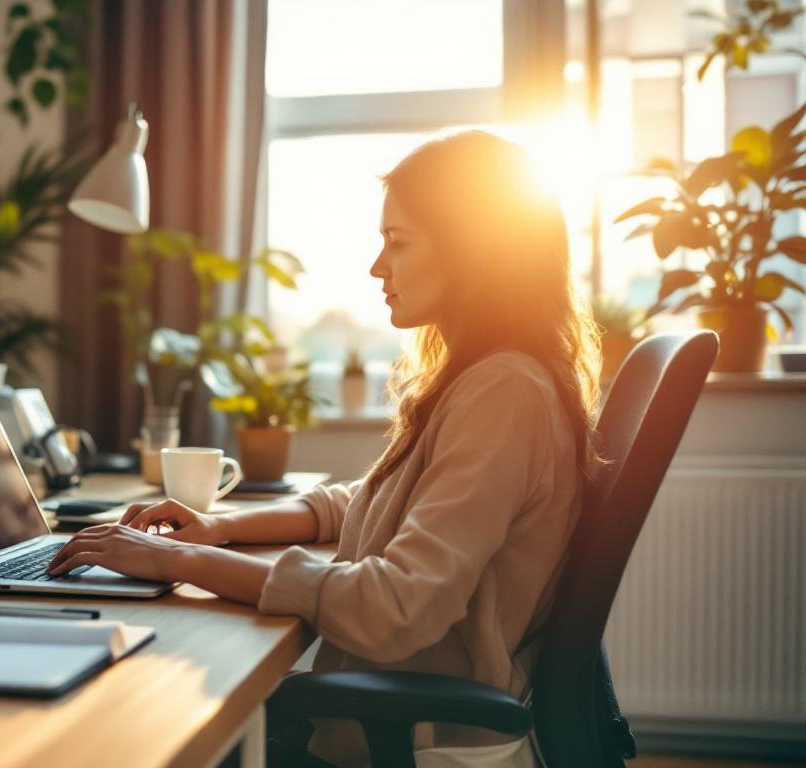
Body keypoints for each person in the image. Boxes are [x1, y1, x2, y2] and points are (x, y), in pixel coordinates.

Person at [48, 130, 603, 767]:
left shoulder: (504, 392)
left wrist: (176, 563)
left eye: (398, 242)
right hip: (393, 723)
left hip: (417, 741)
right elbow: (368, 502)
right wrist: (219, 530)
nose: (377, 266)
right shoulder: (488, 380)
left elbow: (394, 607)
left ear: (472, 250)